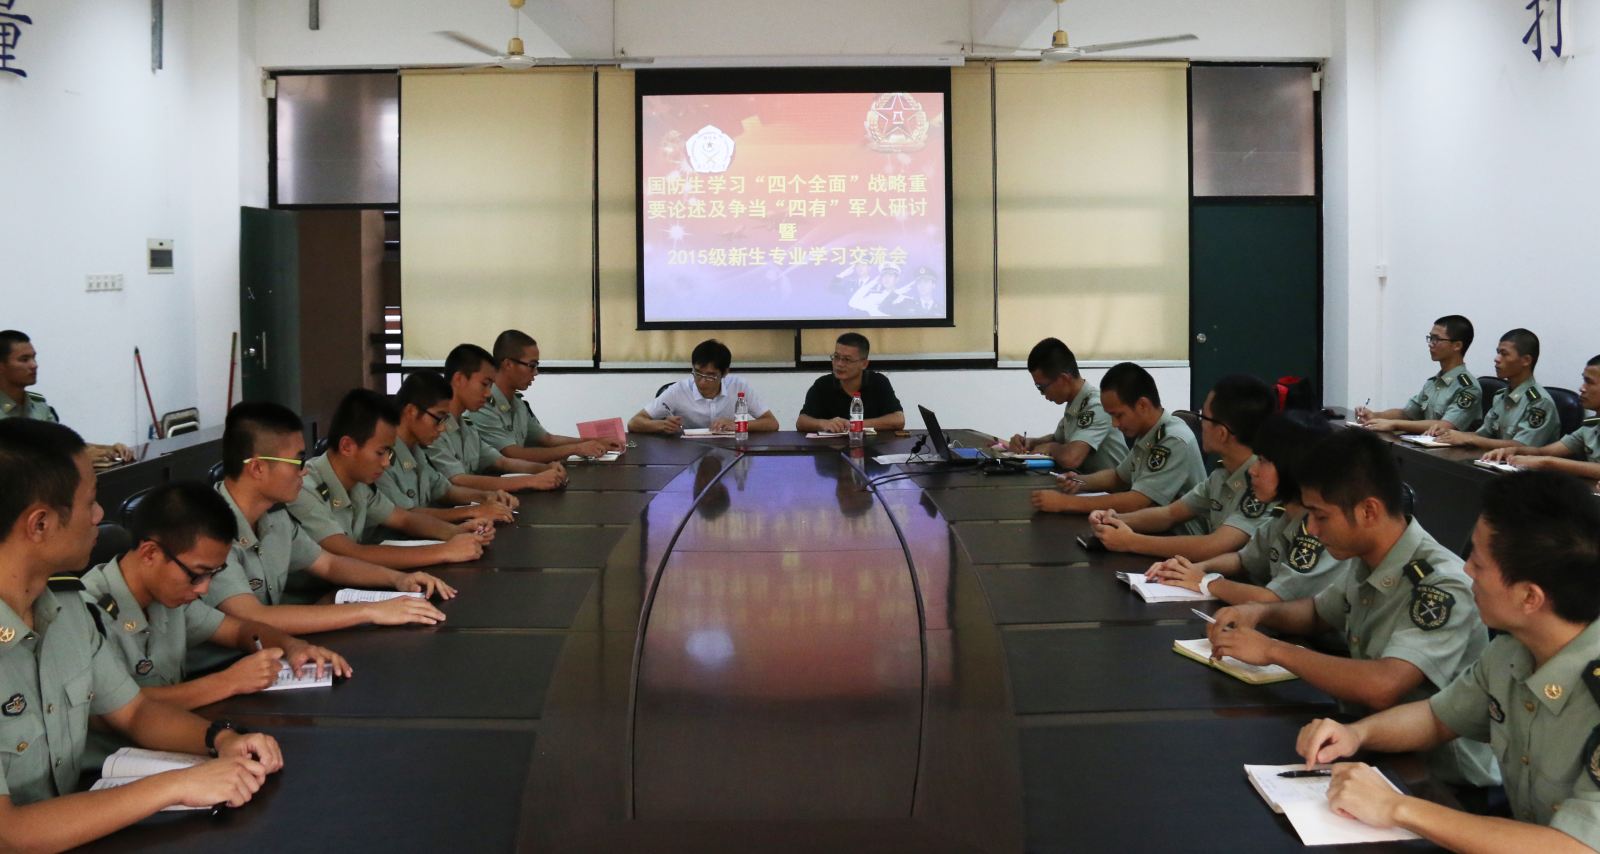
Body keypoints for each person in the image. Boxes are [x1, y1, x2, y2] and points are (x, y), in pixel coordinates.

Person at [0, 419, 284, 850]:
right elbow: (9, 833)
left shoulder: (67, 610)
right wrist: (178, 784)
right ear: (40, 524)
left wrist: (222, 739)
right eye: (89, 503)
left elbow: (134, 713)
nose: (100, 515)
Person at [1295, 471, 1600, 851]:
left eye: (1479, 563)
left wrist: (1395, 807)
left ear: (1529, 598)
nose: (1465, 569)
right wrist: (1358, 734)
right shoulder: (1514, 650)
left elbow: (1575, 847)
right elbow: (1438, 717)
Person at [1207, 428, 1499, 788]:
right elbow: (1317, 613)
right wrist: (1258, 612)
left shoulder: (1441, 584)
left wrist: (1271, 650)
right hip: (1368, 744)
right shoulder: (1367, 557)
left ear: (1368, 511)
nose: (1312, 530)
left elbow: (1384, 684)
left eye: (1321, 516)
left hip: (1440, 779)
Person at [80, 482, 349, 763]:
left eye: (213, 574)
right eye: (197, 574)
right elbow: (126, 709)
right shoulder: (87, 611)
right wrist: (229, 682)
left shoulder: (169, 596)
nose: (204, 589)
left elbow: (238, 630)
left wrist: (292, 646)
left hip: (177, 745)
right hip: (109, 767)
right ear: (150, 554)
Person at [195, 402, 451, 670]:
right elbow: (253, 616)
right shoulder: (208, 527)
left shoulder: (275, 516)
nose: (304, 470)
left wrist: (398, 579)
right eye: (297, 462)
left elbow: (329, 564)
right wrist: (371, 611)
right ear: (257, 468)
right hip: (214, 670)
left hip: (265, 657)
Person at [1146, 411, 1354, 606]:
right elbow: (1243, 560)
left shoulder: (1317, 528)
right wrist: (1196, 568)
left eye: (1262, 461)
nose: (1253, 470)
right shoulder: (1285, 516)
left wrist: (1205, 582)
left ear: (1292, 466)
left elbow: (1274, 598)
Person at [287, 388, 496, 570]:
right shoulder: (305, 488)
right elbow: (350, 553)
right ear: (347, 446)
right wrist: (445, 551)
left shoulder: (359, 484)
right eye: (380, 452)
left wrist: (456, 532)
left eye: (389, 452)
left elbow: (403, 518)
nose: (387, 462)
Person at [1088, 375, 1279, 560]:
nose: (1201, 424)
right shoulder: (1222, 473)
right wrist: (1115, 519)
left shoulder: (1263, 482)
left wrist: (1131, 541)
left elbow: (1213, 546)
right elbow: (1170, 514)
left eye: (1204, 417)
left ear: (1221, 433)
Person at [1029, 361, 1204, 516]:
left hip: (1178, 537)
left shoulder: (1173, 440)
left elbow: (1138, 501)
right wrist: (1079, 482)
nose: (1114, 423)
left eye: (1118, 415)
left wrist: (1065, 503)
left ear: (1142, 405)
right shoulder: (1148, 433)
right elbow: (1118, 478)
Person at [376, 370, 518, 526]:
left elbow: (444, 490)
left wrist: (487, 497)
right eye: (439, 418)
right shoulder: (381, 458)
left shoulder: (416, 451)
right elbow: (406, 515)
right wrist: (473, 511)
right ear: (411, 411)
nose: (443, 428)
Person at [426, 344, 571, 493]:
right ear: (459, 379)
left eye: (490, 386)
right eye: (484, 384)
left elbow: (501, 462)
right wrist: (531, 480)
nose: (489, 393)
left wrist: (544, 468)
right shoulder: (432, 428)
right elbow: (457, 480)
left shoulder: (466, 427)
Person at [472, 330, 621, 463]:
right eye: (531, 366)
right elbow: (514, 454)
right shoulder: (483, 404)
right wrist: (575, 449)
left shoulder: (517, 403)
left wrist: (596, 441)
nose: (535, 373)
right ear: (508, 364)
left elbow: (547, 439)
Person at [0, 329, 131, 465]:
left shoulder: (38, 405)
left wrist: (108, 449)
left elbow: (59, 444)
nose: (34, 365)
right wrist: (75, 457)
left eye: (34, 357)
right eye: (24, 359)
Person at [1005, 337, 1127, 473]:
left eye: (1042, 387)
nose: (1042, 394)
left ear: (1063, 379)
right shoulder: (1075, 403)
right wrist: (1031, 443)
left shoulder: (1097, 406)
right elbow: (1058, 438)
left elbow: (1071, 458)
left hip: (1112, 486)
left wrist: (1051, 448)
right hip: (1086, 482)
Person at [1430, 328, 1560, 450]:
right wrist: (1449, 434)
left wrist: (1468, 439)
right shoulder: (1501, 396)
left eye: (1504, 354)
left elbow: (1521, 446)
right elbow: (1483, 435)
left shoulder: (1539, 403)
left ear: (1526, 360)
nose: (1496, 359)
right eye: (1498, 353)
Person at [1482, 355, 1600, 480]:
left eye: (1589, 382)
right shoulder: (1591, 426)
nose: (1582, 388)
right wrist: (1512, 451)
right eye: (1584, 381)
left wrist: (1546, 463)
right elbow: (1543, 452)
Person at [1358, 315, 1482, 433]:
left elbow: (1445, 425)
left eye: (1436, 339)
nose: (1430, 344)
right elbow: (1407, 414)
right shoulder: (1433, 382)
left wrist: (1394, 424)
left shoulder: (1468, 388)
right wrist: (1375, 415)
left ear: (1457, 346)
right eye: (1430, 338)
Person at [629, 339, 779, 435]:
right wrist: (661, 425)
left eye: (710, 376)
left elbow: (772, 423)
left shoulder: (738, 386)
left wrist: (738, 425)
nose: (701, 382)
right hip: (688, 456)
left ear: (725, 373)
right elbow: (634, 423)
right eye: (697, 373)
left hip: (730, 453)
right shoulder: (678, 391)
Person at [795, 332, 906, 434]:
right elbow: (801, 422)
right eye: (836, 357)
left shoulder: (878, 382)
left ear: (864, 364)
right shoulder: (823, 384)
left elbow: (898, 420)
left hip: (872, 446)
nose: (839, 364)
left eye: (847, 359)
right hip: (832, 447)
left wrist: (854, 424)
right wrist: (823, 424)